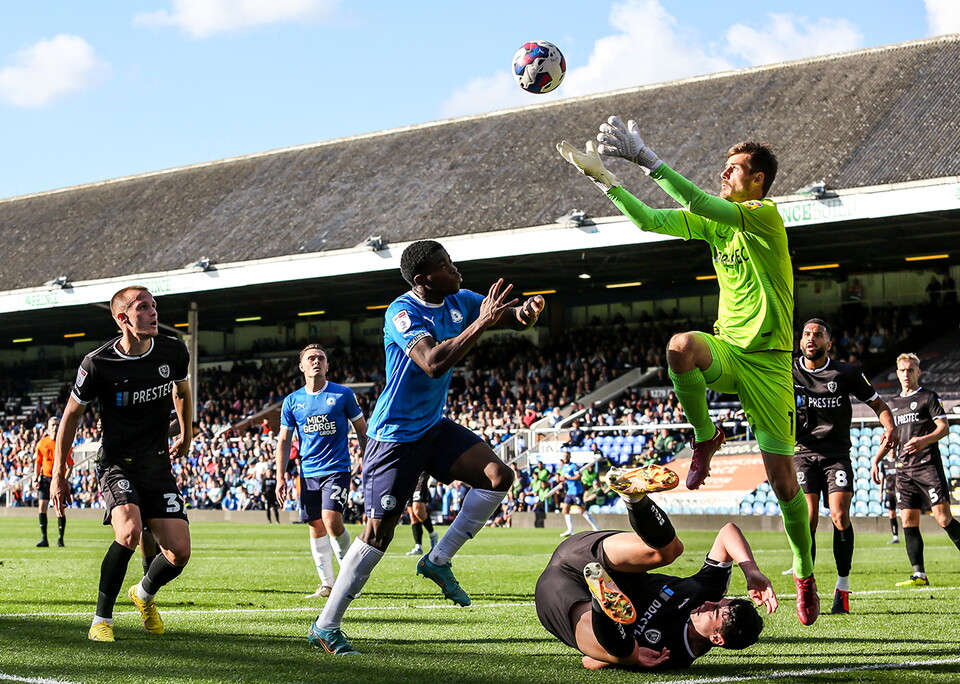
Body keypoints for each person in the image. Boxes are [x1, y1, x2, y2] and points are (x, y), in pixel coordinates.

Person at [558, 119, 817, 624]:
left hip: (769, 363)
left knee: (786, 485)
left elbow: (697, 201)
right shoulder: (716, 224)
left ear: (758, 180)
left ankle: (804, 571)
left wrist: (647, 159)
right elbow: (648, 221)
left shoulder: (763, 215)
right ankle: (705, 435)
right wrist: (605, 180)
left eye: (734, 169)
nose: (724, 174)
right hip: (727, 350)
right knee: (680, 347)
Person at [307, 239, 545, 654]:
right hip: (394, 436)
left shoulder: (460, 300)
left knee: (498, 476)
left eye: (451, 261)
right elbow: (433, 362)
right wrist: (481, 323)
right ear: (423, 279)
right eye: (445, 265)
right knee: (378, 535)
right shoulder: (402, 312)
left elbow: (507, 317)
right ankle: (325, 626)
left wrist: (525, 313)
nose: (455, 270)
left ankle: (437, 559)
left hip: (432, 427)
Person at [50, 286, 193, 643]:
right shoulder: (97, 363)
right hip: (117, 463)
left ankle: (143, 593)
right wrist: (59, 473)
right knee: (129, 531)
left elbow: (181, 391)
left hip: (156, 464)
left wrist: (187, 433)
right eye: (143, 307)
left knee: (179, 552)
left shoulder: (173, 350)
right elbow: (70, 417)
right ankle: (101, 620)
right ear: (122, 317)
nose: (153, 312)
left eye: (154, 306)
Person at [536, 464, 776, 670]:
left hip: (559, 597)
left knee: (624, 652)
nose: (709, 604)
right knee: (670, 550)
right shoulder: (709, 591)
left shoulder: (673, 655)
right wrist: (751, 571)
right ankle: (635, 498)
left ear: (717, 639)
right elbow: (727, 532)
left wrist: (631, 660)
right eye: (719, 602)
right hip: (586, 555)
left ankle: (603, 603)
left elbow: (589, 661)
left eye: (714, 612)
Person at [792, 318, 897, 614]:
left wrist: (889, 426)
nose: (811, 338)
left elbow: (879, 404)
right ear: (800, 341)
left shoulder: (846, 372)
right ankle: (807, 587)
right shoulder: (787, 370)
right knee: (808, 518)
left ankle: (843, 586)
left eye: (818, 335)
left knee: (839, 516)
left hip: (836, 454)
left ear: (829, 343)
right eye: (807, 334)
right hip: (802, 452)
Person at [276, 344, 368, 599]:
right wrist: (280, 476)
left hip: (337, 468)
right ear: (301, 366)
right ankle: (327, 585)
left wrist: (368, 462)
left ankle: (351, 580)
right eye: (311, 358)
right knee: (315, 525)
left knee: (332, 520)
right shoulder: (292, 401)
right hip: (307, 473)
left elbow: (362, 431)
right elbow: (284, 440)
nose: (316, 361)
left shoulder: (343, 394)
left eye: (321, 358)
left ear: (327, 366)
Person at [871, 353, 960, 586]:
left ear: (918, 372)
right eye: (902, 370)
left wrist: (923, 440)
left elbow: (944, 428)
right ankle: (919, 574)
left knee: (943, 518)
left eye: (910, 370)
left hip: (927, 467)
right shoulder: (893, 404)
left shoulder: (928, 397)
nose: (906, 374)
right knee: (908, 520)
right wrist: (876, 460)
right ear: (897, 373)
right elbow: (891, 437)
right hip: (903, 470)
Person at [34, 416, 73, 547]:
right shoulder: (42, 443)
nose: (55, 427)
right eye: (53, 425)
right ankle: (44, 539)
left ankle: (60, 539)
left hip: (58, 479)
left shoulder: (64, 442)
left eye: (57, 425)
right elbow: (38, 463)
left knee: (59, 508)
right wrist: (35, 478)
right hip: (45, 478)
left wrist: (64, 479)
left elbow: (70, 464)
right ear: (48, 427)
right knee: (42, 507)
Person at [558, 452, 600, 537]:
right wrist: (562, 482)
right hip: (569, 491)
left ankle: (596, 527)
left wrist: (567, 478)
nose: (565, 457)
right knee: (565, 509)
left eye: (566, 456)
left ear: (569, 457)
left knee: (582, 510)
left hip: (576, 491)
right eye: (564, 456)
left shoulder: (573, 466)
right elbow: (565, 478)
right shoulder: (564, 467)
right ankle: (570, 530)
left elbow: (578, 476)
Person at [405, 472, 439, 556]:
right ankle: (418, 547)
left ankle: (433, 534)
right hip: (408, 476)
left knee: (418, 510)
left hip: (421, 473)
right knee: (412, 515)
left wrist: (433, 477)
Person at [879, 453, 900, 544]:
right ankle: (895, 536)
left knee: (904, 513)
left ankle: (908, 534)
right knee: (891, 514)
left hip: (899, 491)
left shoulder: (899, 460)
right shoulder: (884, 463)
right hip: (889, 492)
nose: (892, 451)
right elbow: (882, 478)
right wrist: (880, 492)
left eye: (894, 449)